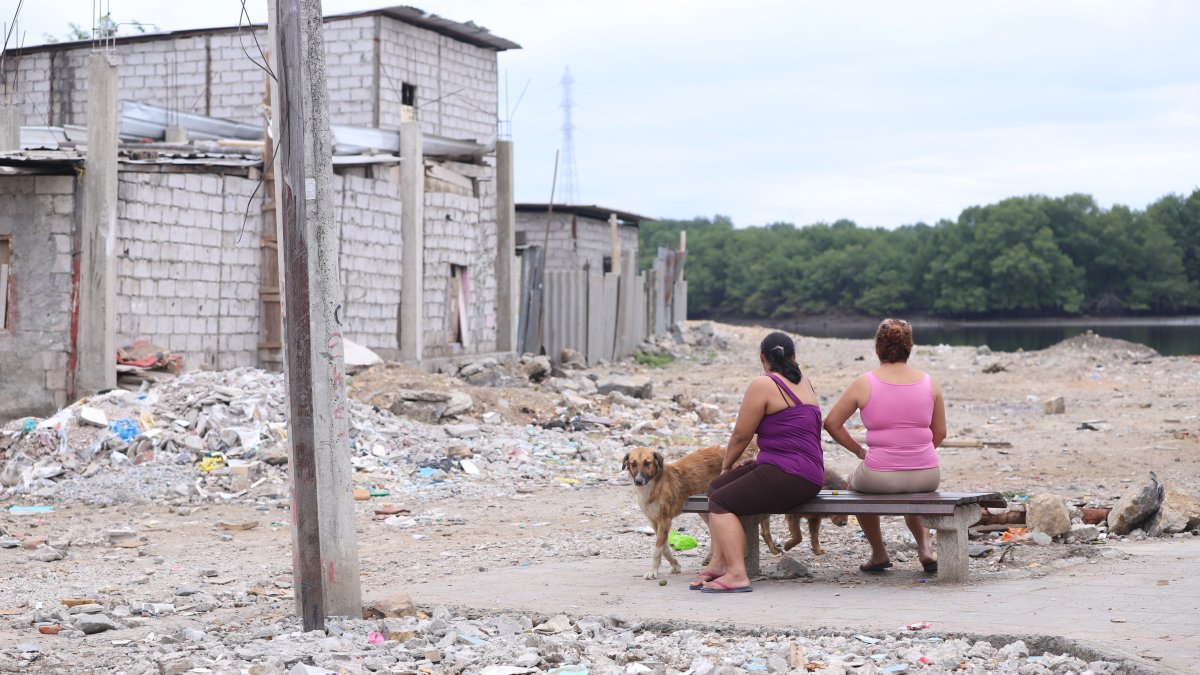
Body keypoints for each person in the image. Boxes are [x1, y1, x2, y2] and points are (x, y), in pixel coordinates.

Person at [693, 331, 824, 593]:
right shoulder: (806, 383)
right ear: (794, 356)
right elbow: (792, 434)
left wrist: (727, 464)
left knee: (720, 502)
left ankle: (737, 574)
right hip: (809, 473)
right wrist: (758, 459)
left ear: (762, 357)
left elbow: (742, 435)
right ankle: (719, 563)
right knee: (716, 488)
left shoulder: (763, 384)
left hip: (790, 473)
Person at [823, 318, 946, 574]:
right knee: (913, 493)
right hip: (927, 475)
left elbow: (832, 423)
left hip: (880, 475)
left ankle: (879, 553)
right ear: (909, 347)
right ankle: (925, 548)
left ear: (877, 348)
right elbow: (941, 432)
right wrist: (917, 453)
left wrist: (859, 451)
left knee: (853, 485)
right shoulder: (929, 382)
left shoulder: (864, 383)